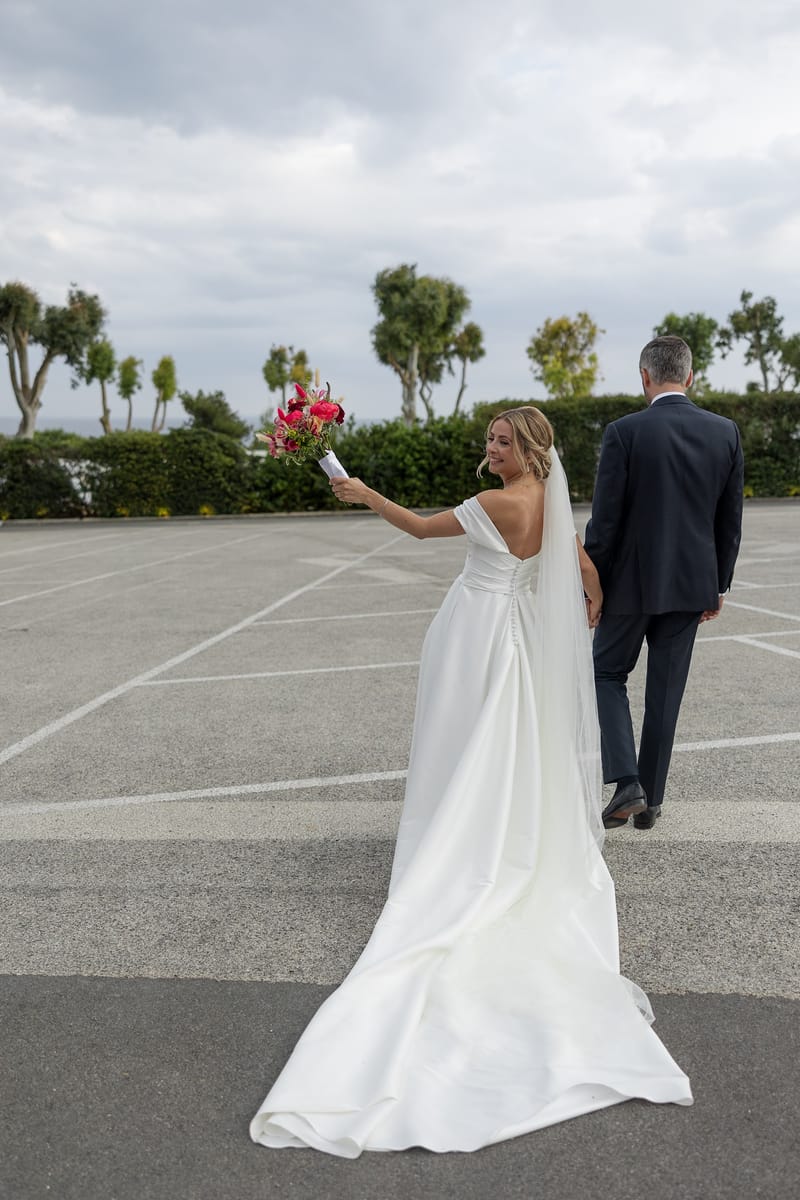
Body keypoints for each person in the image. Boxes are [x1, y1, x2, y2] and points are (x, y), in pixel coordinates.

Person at [250, 407, 692, 1157]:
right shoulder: (547, 497)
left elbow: (422, 530)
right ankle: (499, 827)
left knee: (463, 739)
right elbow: (577, 553)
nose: (490, 448)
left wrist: (363, 494)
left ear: (527, 451)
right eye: (489, 438)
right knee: (512, 740)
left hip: (476, 629)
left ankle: (458, 843)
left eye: (502, 441)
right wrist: (589, 590)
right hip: (515, 629)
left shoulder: (494, 503)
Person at [584, 336, 744, 831]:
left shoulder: (624, 432)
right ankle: (649, 801)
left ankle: (627, 782)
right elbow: (729, 520)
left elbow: (605, 522)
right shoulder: (725, 433)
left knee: (606, 674)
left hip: (629, 583)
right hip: (691, 583)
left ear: (644, 377)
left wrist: (592, 582)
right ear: (690, 377)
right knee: (665, 694)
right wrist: (718, 584)